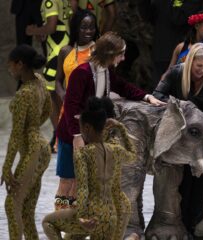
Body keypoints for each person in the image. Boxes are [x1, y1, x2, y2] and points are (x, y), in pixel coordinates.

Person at [55, 32, 164, 211]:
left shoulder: (105, 72)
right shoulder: (81, 73)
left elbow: (123, 87)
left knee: (81, 182)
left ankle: (73, 222)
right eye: (120, 54)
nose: (123, 58)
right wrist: (76, 136)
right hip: (71, 135)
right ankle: (58, 216)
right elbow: (70, 107)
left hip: (91, 133)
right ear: (109, 54)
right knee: (68, 180)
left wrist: (146, 96)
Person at [42, 97, 135, 239]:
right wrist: (120, 127)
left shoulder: (84, 153)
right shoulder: (115, 148)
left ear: (87, 126)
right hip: (112, 212)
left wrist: (81, 215)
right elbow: (132, 156)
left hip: (99, 210)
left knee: (48, 222)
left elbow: (83, 188)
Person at [153, 42, 203, 233]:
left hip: (201, 135)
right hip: (177, 131)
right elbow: (157, 95)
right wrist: (181, 108)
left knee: (200, 183)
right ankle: (177, 224)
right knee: (178, 184)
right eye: (199, 66)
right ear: (190, 62)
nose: (202, 70)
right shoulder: (175, 73)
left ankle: (193, 227)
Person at [1, 45, 52, 240]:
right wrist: (33, 127)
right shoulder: (39, 81)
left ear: (20, 64)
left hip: (32, 150)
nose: (9, 69)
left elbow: (15, 134)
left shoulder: (24, 94)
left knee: (12, 205)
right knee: (26, 209)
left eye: (11, 65)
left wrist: (7, 168)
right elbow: (47, 109)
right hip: (42, 147)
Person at [25, 0, 73, 155]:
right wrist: (42, 31)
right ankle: (62, 135)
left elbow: (52, 26)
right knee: (56, 92)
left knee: (53, 93)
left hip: (57, 52)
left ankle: (62, 137)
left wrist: (34, 30)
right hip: (65, 45)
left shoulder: (50, 1)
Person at [149, 0, 203, 90]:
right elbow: (148, 17)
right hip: (160, 49)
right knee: (158, 90)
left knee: (178, 90)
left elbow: (178, 19)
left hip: (183, 53)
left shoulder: (193, 2)